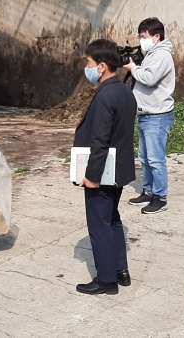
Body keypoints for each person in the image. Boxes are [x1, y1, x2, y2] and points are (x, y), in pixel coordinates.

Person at [73, 39, 138, 295]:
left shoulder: (105, 96)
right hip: (119, 170)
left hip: (102, 172)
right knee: (112, 219)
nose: (87, 69)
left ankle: (106, 279)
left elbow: (99, 140)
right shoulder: (124, 92)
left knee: (99, 224)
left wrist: (91, 175)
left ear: (101, 66)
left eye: (89, 64)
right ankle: (121, 270)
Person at [123, 17, 176, 214]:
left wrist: (132, 69)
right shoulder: (152, 54)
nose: (141, 40)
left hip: (158, 115)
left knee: (155, 158)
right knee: (145, 157)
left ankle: (160, 197)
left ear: (156, 36)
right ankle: (149, 190)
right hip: (147, 114)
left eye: (143, 37)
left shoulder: (162, 55)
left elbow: (150, 78)